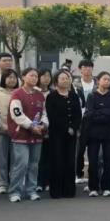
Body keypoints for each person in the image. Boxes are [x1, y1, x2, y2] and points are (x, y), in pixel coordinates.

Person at [7, 67, 48, 202]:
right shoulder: (17, 94)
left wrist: (43, 125)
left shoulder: (40, 95)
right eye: (31, 75)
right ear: (23, 77)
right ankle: (15, 191)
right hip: (21, 135)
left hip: (37, 136)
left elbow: (44, 113)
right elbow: (17, 114)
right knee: (21, 163)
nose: (34, 78)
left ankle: (31, 190)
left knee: (34, 164)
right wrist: (31, 126)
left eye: (36, 76)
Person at [46, 69, 82, 199]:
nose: (65, 80)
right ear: (56, 81)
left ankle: (69, 190)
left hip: (71, 135)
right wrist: (66, 127)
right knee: (57, 160)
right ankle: (56, 190)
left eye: (67, 78)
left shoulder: (74, 96)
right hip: (57, 134)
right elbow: (52, 116)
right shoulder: (52, 96)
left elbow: (78, 114)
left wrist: (74, 127)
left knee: (70, 161)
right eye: (62, 78)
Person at [84, 72, 110, 197]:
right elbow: (90, 114)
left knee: (108, 160)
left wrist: (99, 111)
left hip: (108, 132)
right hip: (93, 132)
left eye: (109, 79)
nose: (107, 81)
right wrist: (105, 113)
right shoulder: (92, 96)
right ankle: (93, 187)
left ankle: (107, 187)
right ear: (98, 81)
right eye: (104, 79)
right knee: (93, 160)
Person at [0, 69, 19, 195]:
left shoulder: (20, 93)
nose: (12, 80)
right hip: (1, 130)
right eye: (9, 77)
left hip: (18, 131)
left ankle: (14, 182)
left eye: (14, 77)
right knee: (0, 159)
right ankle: (1, 184)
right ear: (3, 79)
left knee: (16, 159)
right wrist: (2, 126)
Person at [72, 59, 95, 184]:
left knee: (94, 149)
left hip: (94, 120)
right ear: (80, 69)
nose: (87, 69)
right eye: (84, 67)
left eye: (89, 67)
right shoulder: (74, 84)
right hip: (80, 121)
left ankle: (93, 175)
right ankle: (78, 173)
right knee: (79, 149)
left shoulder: (97, 83)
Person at [36, 68, 53, 192]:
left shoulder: (53, 93)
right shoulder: (34, 92)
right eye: (43, 76)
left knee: (49, 157)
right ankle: (38, 182)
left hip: (51, 128)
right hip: (36, 128)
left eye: (48, 76)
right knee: (38, 158)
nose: (46, 78)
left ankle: (48, 181)